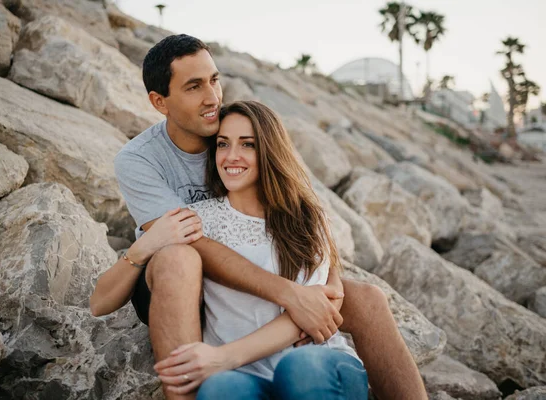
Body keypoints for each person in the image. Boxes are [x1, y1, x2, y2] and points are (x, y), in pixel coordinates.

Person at [89, 34, 427, 400]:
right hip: (176, 279)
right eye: (193, 87)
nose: (212, 98)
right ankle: (192, 386)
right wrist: (292, 294)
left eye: (214, 80)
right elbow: (192, 241)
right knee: (179, 257)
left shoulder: (229, 124)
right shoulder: (140, 159)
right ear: (160, 102)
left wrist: (325, 286)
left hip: (254, 280)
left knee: (365, 299)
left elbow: (299, 200)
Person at [153, 100, 369, 399]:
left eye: (248, 145)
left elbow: (311, 313)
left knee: (299, 367)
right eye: (223, 144)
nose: (231, 157)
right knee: (219, 389)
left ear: (269, 150)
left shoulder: (305, 216)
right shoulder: (194, 220)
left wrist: (223, 357)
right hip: (245, 376)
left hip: (318, 363)